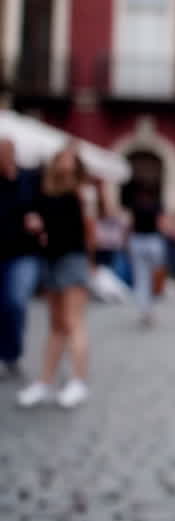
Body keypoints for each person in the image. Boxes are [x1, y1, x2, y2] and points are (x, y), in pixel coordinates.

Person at [16, 143, 95, 408]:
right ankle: (45, 382)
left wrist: (92, 263)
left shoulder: (82, 192)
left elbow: (88, 229)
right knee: (56, 324)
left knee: (73, 322)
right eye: (63, 156)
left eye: (72, 158)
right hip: (51, 259)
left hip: (73, 258)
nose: (66, 161)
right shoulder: (45, 189)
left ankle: (78, 380)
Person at [0, 138, 44, 378]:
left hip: (24, 253)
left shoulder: (28, 179)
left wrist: (39, 220)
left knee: (15, 301)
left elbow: (44, 206)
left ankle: (12, 354)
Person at [123, 180, 166, 328]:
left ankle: (144, 309)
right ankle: (151, 307)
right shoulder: (156, 205)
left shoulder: (135, 205)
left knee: (141, 277)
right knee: (155, 276)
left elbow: (129, 225)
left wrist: (126, 242)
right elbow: (161, 224)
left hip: (138, 241)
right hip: (153, 241)